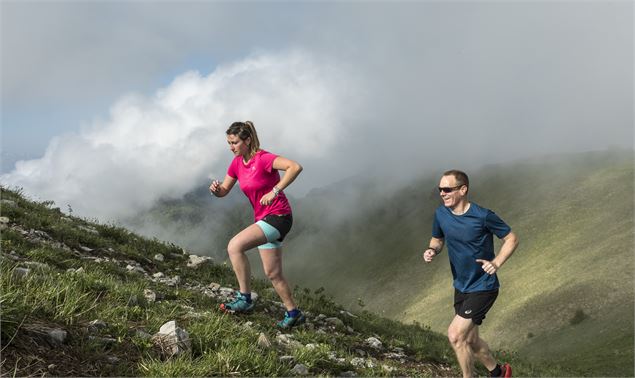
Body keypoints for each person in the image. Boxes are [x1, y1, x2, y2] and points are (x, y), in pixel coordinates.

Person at [423, 170, 519, 378]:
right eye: (440, 189)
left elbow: (512, 239)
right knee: (472, 341)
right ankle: (500, 373)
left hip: (484, 287)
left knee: (456, 336)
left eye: (447, 189)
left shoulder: (483, 216)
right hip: (461, 286)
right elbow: (437, 239)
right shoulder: (441, 214)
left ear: (463, 189)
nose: (442, 193)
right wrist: (433, 250)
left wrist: (496, 262)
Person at [209, 121, 305, 329]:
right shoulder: (236, 163)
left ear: (247, 140)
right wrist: (216, 190)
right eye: (229, 143)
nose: (231, 147)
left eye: (234, 142)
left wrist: (275, 190)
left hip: (279, 216)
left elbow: (295, 167)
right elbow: (224, 190)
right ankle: (294, 313)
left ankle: (245, 299)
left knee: (234, 246)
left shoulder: (263, 159)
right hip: (264, 218)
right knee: (273, 273)